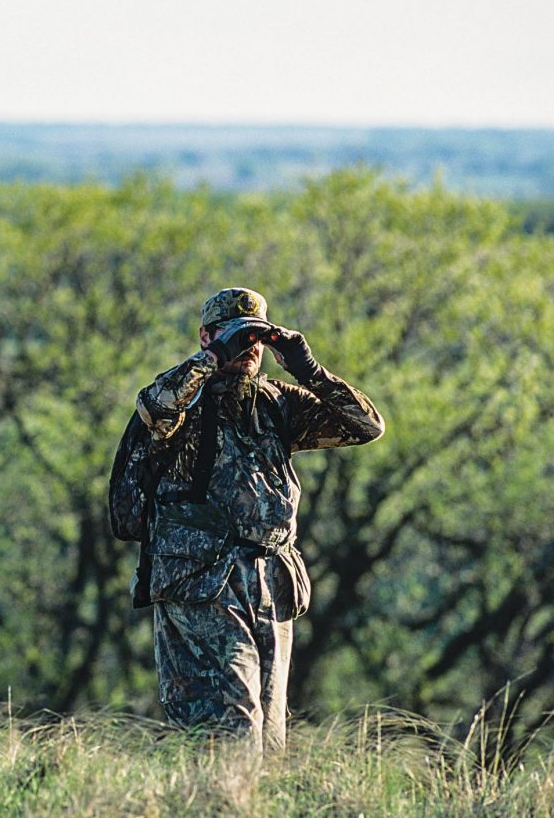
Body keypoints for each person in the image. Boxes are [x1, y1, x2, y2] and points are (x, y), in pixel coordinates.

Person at [108, 287, 384, 754]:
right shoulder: (183, 399)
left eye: (255, 339)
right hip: (200, 581)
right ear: (204, 338)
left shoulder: (278, 402)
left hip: (269, 582)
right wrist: (214, 357)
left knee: (270, 737)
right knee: (233, 728)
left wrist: (308, 369)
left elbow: (366, 426)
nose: (247, 350)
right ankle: (220, 801)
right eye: (235, 337)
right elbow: (154, 408)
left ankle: (236, 802)